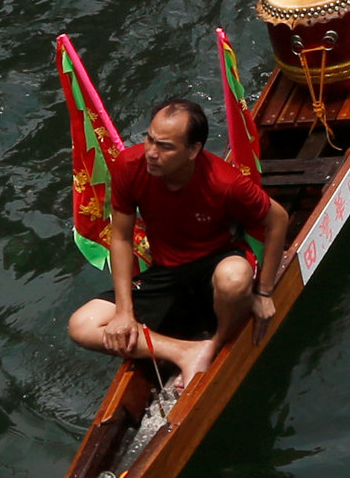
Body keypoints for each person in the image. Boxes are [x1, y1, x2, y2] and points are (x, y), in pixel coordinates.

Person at [65, 97, 288, 379]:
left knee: (234, 279)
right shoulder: (128, 166)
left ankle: (217, 343)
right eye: (150, 139)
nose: (151, 153)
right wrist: (124, 312)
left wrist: (265, 291)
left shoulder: (225, 183)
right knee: (81, 325)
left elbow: (277, 219)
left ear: (193, 150)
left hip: (214, 262)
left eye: (166, 147)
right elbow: (120, 238)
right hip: (165, 272)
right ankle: (184, 352)